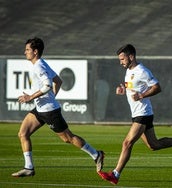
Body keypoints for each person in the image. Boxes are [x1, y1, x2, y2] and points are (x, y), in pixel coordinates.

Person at [98, 44, 172, 185]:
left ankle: (115, 174)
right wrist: (123, 89)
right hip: (138, 114)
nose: (120, 62)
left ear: (131, 56)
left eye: (122, 58)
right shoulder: (129, 71)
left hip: (143, 114)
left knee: (127, 143)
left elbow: (157, 87)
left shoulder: (142, 71)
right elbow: (132, 85)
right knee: (154, 145)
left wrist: (141, 95)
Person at [11, 37, 104, 177]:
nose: (25, 52)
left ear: (35, 52)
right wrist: (50, 97)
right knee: (23, 134)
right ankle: (29, 167)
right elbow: (58, 81)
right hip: (40, 109)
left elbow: (48, 85)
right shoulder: (41, 63)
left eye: (27, 50)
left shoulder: (39, 66)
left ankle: (96, 154)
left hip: (49, 111)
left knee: (68, 138)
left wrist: (30, 97)